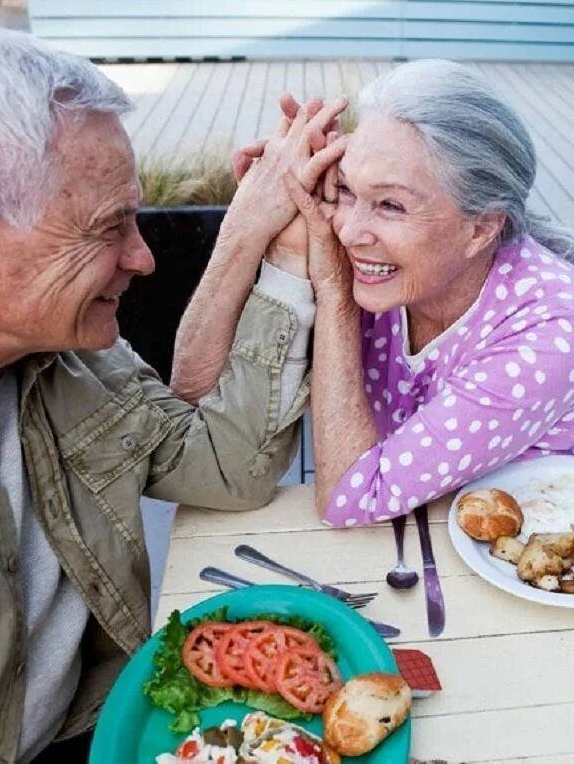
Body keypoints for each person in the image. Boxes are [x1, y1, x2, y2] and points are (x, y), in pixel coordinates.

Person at [0, 27, 342, 763]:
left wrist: (277, 241)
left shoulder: (63, 349)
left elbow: (226, 465)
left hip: (104, 727)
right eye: (109, 226)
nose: (141, 258)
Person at [173, 59, 574, 528]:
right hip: (412, 540)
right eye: (346, 188)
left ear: (481, 229)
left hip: (523, 558)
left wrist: (335, 295)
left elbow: (352, 499)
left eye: (390, 204)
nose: (349, 231)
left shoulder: (547, 331)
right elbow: (196, 394)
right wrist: (249, 226)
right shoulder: (374, 255)